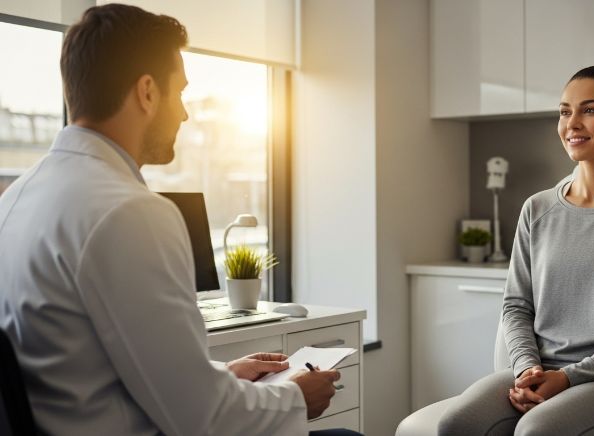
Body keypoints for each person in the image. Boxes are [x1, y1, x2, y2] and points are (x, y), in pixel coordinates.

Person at [0, 4, 359, 436]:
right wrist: (297, 398)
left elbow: (93, 367)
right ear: (147, 92)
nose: (184, 113)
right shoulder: (129, 212)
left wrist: (223, 373)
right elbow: (202, 418)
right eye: (181, 92)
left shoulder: (17, 198)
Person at [438, 65, 594, 435]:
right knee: (457, 424)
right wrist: (526, 369)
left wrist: (567, 378)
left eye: (590, 110)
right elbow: (516, 306)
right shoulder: (537, 208)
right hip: (540, 370)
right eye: (565, 111)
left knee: (536, 431)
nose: (573, 122)